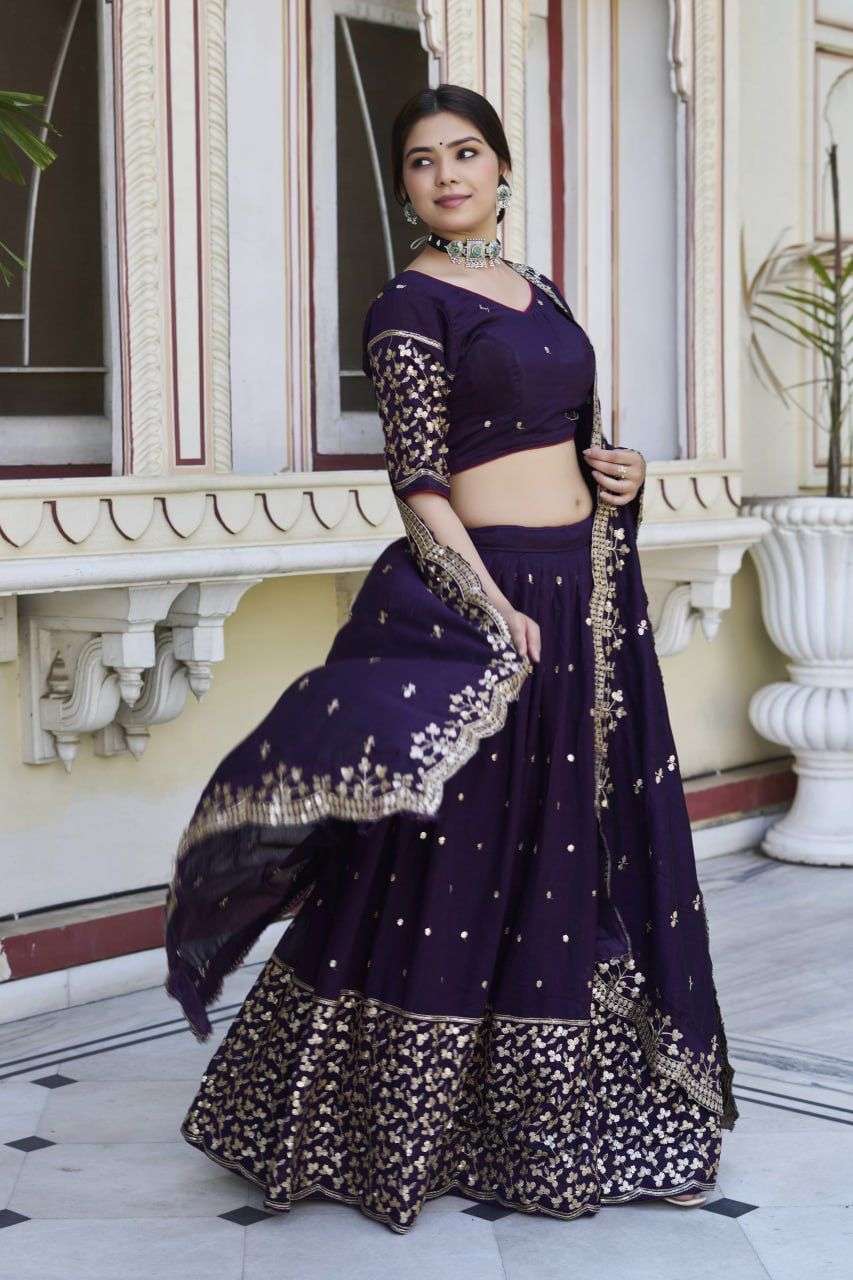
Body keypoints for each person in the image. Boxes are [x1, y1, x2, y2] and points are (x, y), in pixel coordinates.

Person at [164, 84, 737, 1236]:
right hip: (487, 603)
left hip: (582, 593)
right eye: (423, 162)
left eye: (465, 152)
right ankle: (379, 1122)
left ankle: (598, 1120)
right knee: (449, 862)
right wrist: (489, 605)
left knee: (576, 855)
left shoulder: (542, 292)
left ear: (501, 166)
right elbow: (420, 482)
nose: (447, 175)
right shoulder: (407, 305)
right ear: (405, 188)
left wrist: (619, 472)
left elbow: (570, 440)